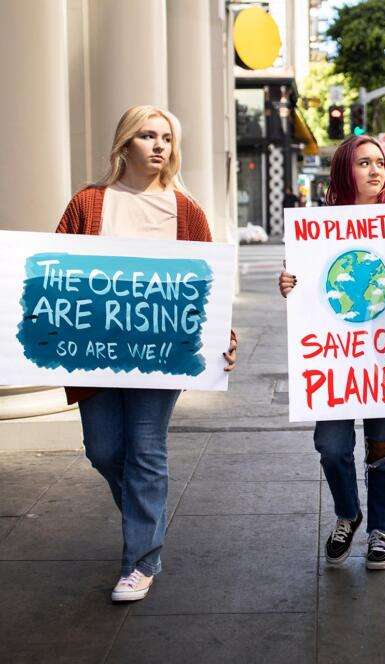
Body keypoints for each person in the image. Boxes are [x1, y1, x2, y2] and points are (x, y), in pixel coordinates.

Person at [55, 105, 238, 602]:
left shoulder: (186, 210)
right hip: (96, 352)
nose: (159, 145)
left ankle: (139, 561)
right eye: (146, 136)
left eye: (166, 138)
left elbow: (208, 285)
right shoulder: (88, 203)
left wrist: (221, 335)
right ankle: (146, 517)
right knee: (103, 450)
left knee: (146, 449)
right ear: (125, 143)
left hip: (161, 355)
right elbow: (55, 272)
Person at [279, 134, 385, 570]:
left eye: (379, 162)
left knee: (382, 446)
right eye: (363, 162)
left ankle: (380, 531)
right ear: (343, 170)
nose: (375, 170)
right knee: (331, 446)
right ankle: (348, 514)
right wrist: (288, 284)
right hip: (335, 356)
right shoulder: (317, 228)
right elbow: (306, 288)